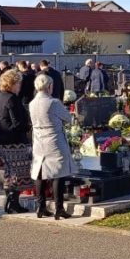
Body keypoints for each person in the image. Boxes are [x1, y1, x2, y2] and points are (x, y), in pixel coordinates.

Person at [29, 73, 74, 220]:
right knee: (58, 174)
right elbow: (68, 118)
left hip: (39, 141)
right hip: (54, 141)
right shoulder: (53, 102)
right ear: (49, 86)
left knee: (40, 172)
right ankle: (59, 208)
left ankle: (41, 206)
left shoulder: (32, 103)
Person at [0, 69, 33, 214]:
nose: (20, 85)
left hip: (3, 141)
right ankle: (13, 203)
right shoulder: (12, 99)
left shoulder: (0, 97)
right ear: (12, 83)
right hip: (14, 141)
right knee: (18, 173)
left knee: (9, 173)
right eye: (18, 83)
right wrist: (28, 126)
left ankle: (11, 203)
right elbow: (16, 123)